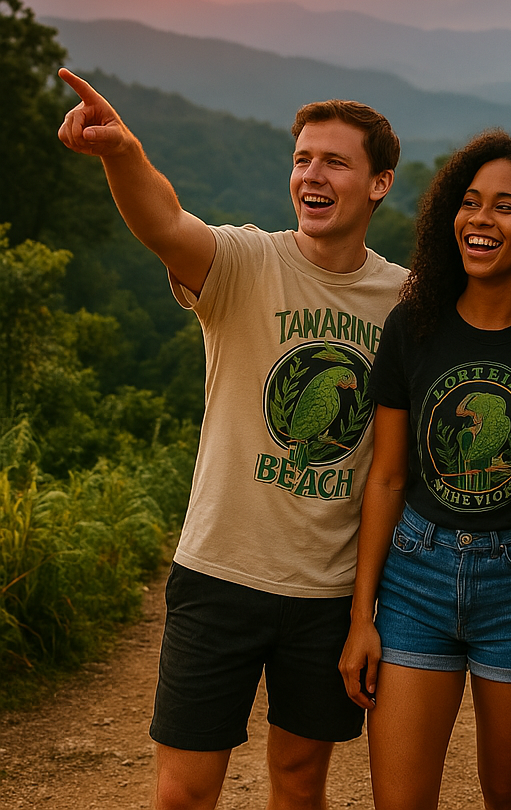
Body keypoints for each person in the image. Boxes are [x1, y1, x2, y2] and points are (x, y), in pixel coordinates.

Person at [57, 69, 407, 810]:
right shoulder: (247, 262)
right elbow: (164, 223)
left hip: (329, 592)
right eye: (302, 159)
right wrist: (122, 153)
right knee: (183, 793)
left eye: (335, 162)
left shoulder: (404, 301)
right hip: (219, 574)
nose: (311, 175)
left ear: (379, 183)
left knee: (300, 783)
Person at [339, 130, 511, 810]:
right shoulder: (414, 324)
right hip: (415, 579)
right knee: (400, 799)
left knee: (509, 793)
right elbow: (387, 477)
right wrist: (362, 616)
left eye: (505, 207)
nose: (480, 219)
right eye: (470, 202)